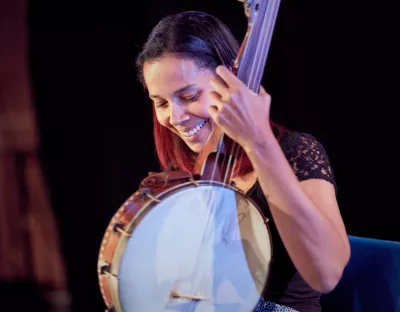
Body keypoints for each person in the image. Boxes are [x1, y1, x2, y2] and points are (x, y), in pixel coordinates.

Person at [135, 10, 350, 312]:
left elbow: (327, 273)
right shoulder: (187, 173)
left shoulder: (296, 152)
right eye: (161, 103)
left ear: (230, 84)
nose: (175, 117)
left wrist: (258, 140)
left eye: (189, 96)